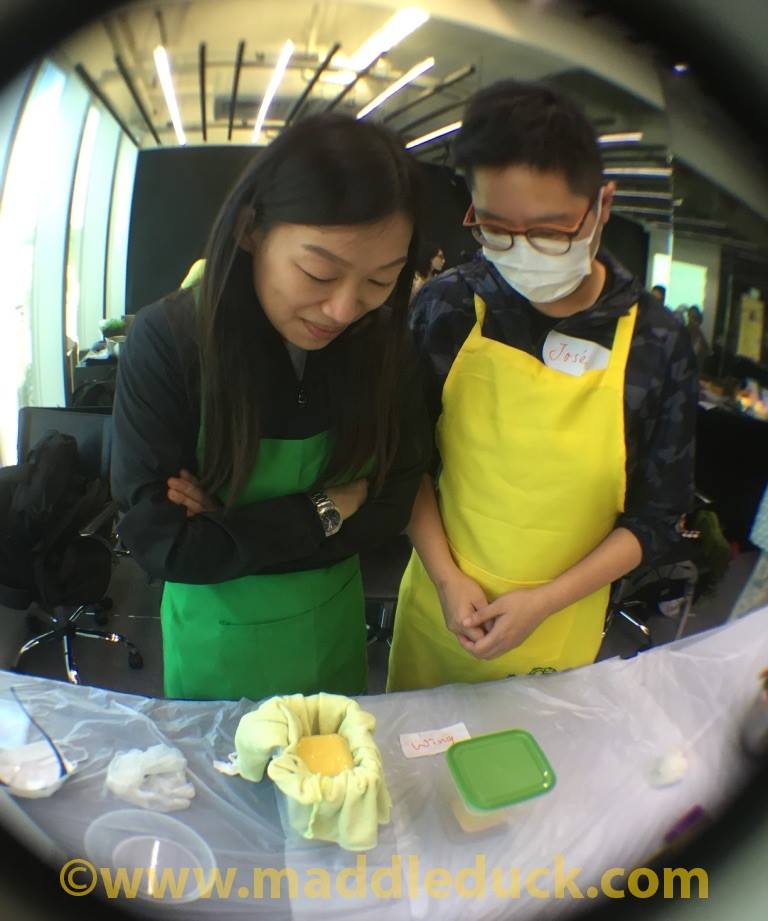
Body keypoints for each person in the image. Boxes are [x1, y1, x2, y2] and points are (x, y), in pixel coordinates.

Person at [387, 80, 699, 691]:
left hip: (560, 628)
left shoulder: (656, 344)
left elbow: (657, 518)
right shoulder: (450, 307)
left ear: (602, 205)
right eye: (496, 228)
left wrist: (545, 601)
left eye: (551, 232)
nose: (523, 252)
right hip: (441, 609)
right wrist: (448, 580)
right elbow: (404, 461)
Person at [111, 114, 431, 702]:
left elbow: (392, 505)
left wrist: (231, 529)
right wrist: (328, 507)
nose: (343, 310)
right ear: (250, 229)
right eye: (319, 273)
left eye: (380, 281)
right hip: (216, 647)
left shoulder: (382, 345)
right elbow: (164, 545)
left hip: (331, 631)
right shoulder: (171, 341)